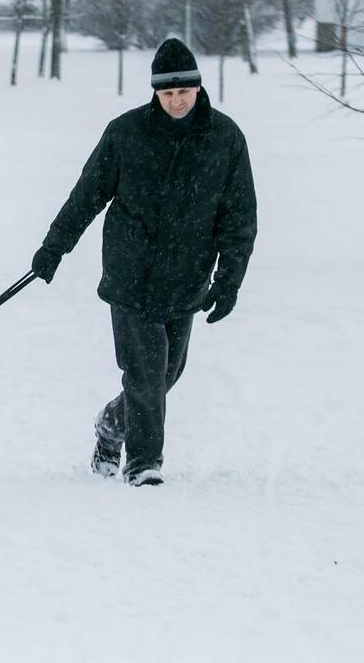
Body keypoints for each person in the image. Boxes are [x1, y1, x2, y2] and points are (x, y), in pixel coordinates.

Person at [30, 38, 257, 487]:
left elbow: (239, 217)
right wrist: (54, 247)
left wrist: (228, 280)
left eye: (185, 91)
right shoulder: (127, 132)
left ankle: (111, 427)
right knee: (146, 374)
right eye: (169, 92)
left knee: (166, 375)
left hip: (187, 277)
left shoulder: (225, 138)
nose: (177, 100)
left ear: (198, 87)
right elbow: (86, 196)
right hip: (131, 276)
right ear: (155, 92)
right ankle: (144, 464)